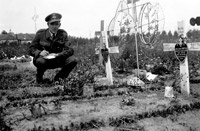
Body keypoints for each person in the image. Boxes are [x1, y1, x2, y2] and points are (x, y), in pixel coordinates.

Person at [29, 13, 78, 84]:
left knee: (73, 60)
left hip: (58, 59)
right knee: (40, 61)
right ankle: (39, 78)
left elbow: (70, 50)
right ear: (48, 25)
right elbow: (31, 49)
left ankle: (59, 78)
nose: (54, 26)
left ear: (59, 25)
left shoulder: (63, 34)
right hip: (44, 60)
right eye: (52, 24)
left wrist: (59, 55)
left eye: (56, 24)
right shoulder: (40, 34)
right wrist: (40, 52)